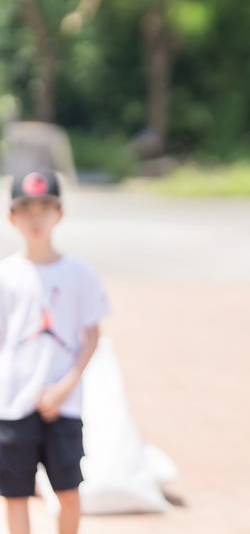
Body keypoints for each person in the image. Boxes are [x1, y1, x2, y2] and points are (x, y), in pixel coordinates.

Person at [0, 170, 111, 534]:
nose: (36, 218)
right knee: (15, 496)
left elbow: (92, 335)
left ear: (59, 214)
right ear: (11, 217)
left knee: (69, 493)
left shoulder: (80, 273)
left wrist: (66, 385)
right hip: (13, 405)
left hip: (64, 405)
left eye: (45, 208)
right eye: (26, 209)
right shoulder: (7, 275)